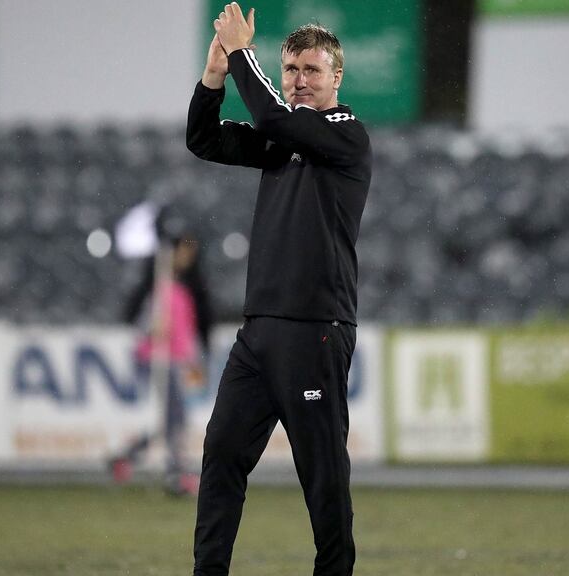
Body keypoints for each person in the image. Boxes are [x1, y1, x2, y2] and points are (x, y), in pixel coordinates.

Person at [186, 4, 371, 575]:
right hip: (259, 330)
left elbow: (276, 120)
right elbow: (203, 140)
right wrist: (215, 75)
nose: (299, 80)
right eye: (290, 69)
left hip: (316, 328)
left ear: (336, 78)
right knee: (221, 453)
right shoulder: (283, 138)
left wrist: (243, 53)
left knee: (321, 474)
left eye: (312, 70)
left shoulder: (346, 135)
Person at [112, 222, 212, 497]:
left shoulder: (187, 287)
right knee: (176, 417)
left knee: (169, 420)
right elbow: (144, 319)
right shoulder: (160, 282)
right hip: (157, 358)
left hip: (175, 358)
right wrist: (152, 328)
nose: (188, 256)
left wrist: (194, 358)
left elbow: (188, 327)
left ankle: (128, 457)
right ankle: (177, 473)